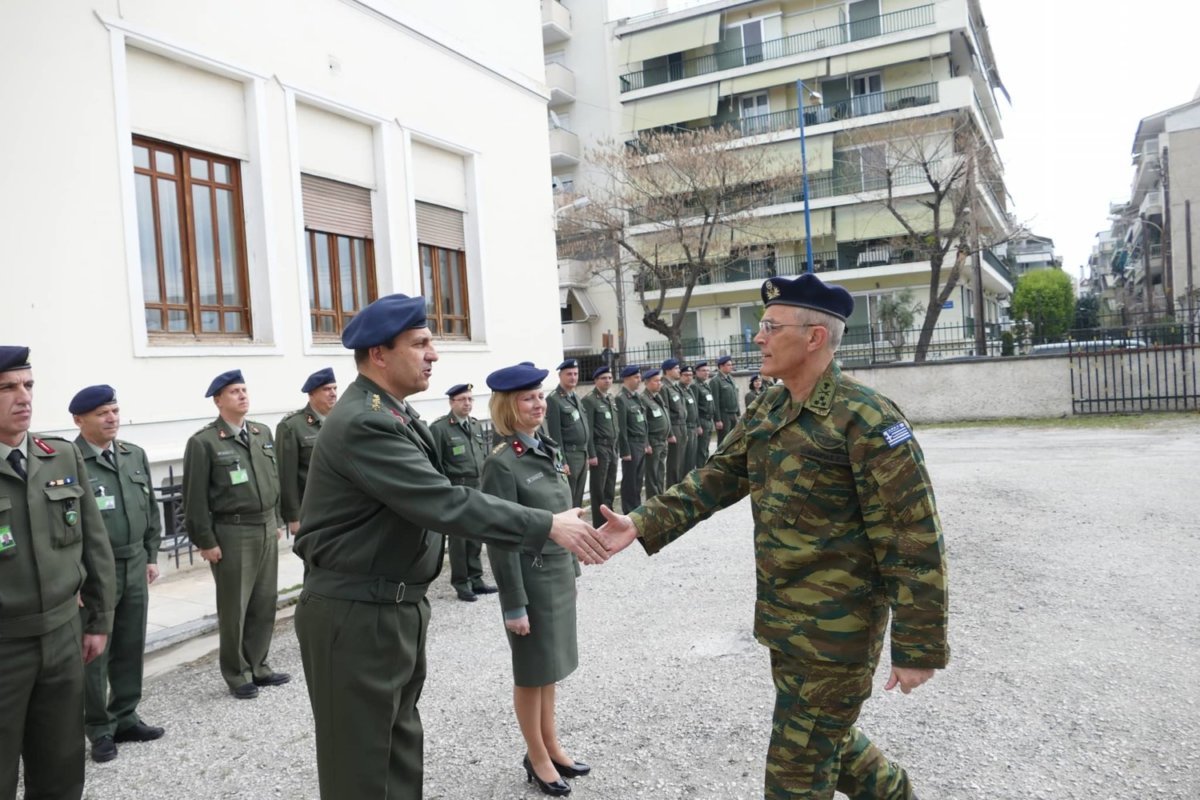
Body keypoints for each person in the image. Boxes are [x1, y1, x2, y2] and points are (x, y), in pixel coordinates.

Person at [599, 274, 949, 800]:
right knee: (823, 737)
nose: (757, 338)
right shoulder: (770, 407)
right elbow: (717, 477)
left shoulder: (868, 419)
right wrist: (642, 521)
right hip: (785, 624)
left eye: (769, 327)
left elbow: (913, 536)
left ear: (814, 338)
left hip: (838, 636)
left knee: (795, 772)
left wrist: (918, 645)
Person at [291, 294, 610, 800]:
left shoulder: (395, 414)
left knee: (396, 750)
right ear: (379, 354)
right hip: (355, 613)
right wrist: (545, 524)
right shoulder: (364, 421)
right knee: (362, 769)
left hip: (388, 606)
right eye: (420, 344)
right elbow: (444, 502)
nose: (433, 354)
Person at [0, 346, 116, 800]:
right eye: (8, 388)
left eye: (28, 385)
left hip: (64, 638)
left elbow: (94, 544)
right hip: (5, 646)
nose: (23, 397)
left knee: (62, 769)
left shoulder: (59, 457)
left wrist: (98, 621)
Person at [481, 362, 591, 798]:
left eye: (540, 396)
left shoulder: (547, 448)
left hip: (558, 575)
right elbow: (499, 538)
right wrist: (513, 603)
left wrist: (575, 565)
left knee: (550, 670)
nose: (538, 404)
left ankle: (551, 745)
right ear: (509, 406)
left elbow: (566, 517)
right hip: (530, 581)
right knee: (531, 673)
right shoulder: (503, 464)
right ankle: (537, 757)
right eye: (528, 398)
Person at [69, 385, 164, 763]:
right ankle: (99, 728)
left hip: (134, 561)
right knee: (96, 649)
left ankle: (126, 716)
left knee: (129, 644)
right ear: (79, 420)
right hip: (93, 573)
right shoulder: (68, 460)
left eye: (114, 410)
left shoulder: (133, 454)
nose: (111, 418)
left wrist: (152, 554)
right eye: (101, 413)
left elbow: (151, 510)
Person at [183, 369, 289, 699]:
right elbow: (194, 497)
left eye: (244, 390)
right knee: (235, 607)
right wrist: (206, 541)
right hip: (232, 531)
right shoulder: (204, 442)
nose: (242, 395)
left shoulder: (261, 432)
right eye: (234, 392)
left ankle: (259, 665)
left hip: (264, 526)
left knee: (264, 600)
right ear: (218, 401)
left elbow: (274, 480)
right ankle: (237, 672)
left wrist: (277, 520)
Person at [428, 382, 498, 602]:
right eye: (462, 400)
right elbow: (434, 463)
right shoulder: (440, 428)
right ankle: (461, 582)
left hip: (477, 486)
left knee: (476, 534)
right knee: (458, 539)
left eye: (470, 399)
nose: (467, 403)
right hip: (455, 488)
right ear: (452, 402)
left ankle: (476, 578)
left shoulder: (476, 425)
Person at [276, 367, 337, 537]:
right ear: (311, 394)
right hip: (312, 510)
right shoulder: (292, 426)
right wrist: (294, 516)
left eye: (334, 388)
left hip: (342, 505)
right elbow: (286, 475)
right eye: (326, 389)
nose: (332, 393)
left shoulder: (342, 419)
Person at [544, 358, 589, 508]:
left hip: (582, 454)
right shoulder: (554, 400)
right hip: (569, 456)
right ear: (560, 376)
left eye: (576, 374)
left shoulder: (575, 397)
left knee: (579, 498)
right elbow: (555, 435)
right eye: (569, 374)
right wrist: (562, 461)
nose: (573, 377)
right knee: (569, 497)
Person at [581, 365, 618, 528]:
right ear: (596, 380)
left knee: (610, 486)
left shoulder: (610, 398)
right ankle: (599, 523)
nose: (608, 381)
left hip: (612, 447)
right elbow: (588, 428)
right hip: (600, 448)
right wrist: (592, 453)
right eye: (604, 378)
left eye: (610, 378)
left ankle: (610, 518)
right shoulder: (590, 400)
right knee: (598, 489)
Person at [614, 366, 649, 513]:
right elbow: (622, 428)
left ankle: (636, 507)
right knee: (630, 480)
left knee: (638, 479)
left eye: (639, 377)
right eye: (636, 377)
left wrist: (646, 443)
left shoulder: (636, 397)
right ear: (627, 379)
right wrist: (625, 450)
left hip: (640, 443)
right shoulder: (621, 399)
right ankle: (629, 510)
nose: (639, 380)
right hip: (631, 444)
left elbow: (643, 422)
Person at [640, 368, 670, 500]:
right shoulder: (643, 399)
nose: (659, 383)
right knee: (652, 475)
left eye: (660, 381)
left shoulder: (657, 397)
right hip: (653, 442)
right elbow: (644, 423)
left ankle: (660, 498)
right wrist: (646, 443)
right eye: (656, 381)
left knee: (660, 472)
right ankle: (653, 501)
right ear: (647, 383)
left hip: (662, 441)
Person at [659, 359, 687, 485]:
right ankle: (672, 488)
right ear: (668, 371)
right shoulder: (664, 387)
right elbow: (666, 411)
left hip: (682, 425)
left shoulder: (675, 386)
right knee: (674, 463)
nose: (679, 371)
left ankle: (678, 486)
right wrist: (670, 433)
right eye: (676, 368)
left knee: (681, 461)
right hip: (674, 427)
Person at [712, 354, 741, 447]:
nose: (731, 367)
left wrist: (738, 414)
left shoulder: (730, 378)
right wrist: (718, 419)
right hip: (724, 415)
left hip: (733, 414)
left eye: (731, 365)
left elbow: (735, 397)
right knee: (723, 441)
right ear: (721, 366)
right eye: (728, 365)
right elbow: (715, 402)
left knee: (733, 440)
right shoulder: (715, 381)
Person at [691, 362, 715, 466]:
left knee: (705, 448)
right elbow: (694, 407)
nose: (706, 373)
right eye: (703, 371)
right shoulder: (695, 386)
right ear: (696, 372)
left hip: (709, 420)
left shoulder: (705, 385)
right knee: (701, 450)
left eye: (707, 370)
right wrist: (698, 425)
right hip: (702, 420)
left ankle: (704, 470)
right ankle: (701, 473)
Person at [678, 365, 700, 474]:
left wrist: (698, 425)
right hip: (686, 428)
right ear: (680, 376)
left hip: (693, 427)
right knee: (685, 459)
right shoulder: (679, 390)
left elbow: (695, 409)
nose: (689, 377)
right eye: (686, 375)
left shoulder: (689, 390)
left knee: (692, 458)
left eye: (691, 375)